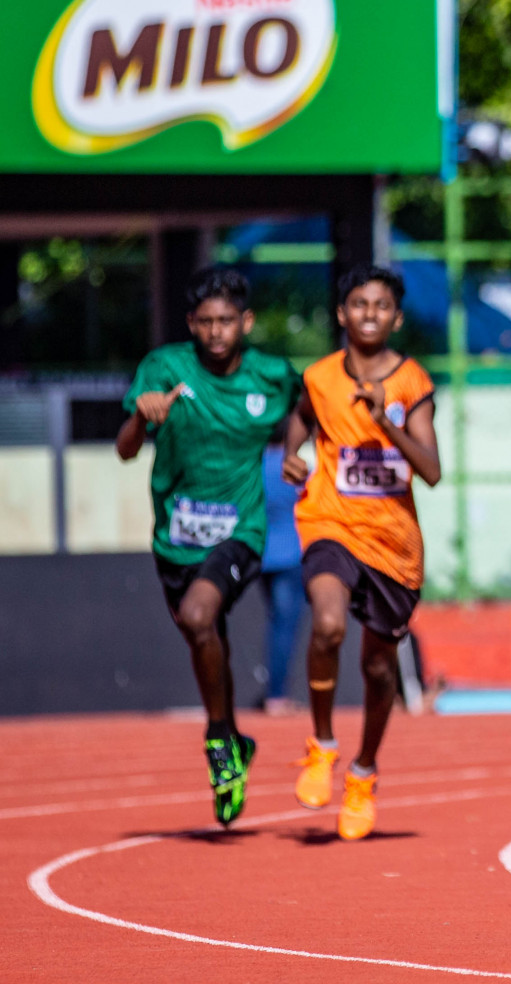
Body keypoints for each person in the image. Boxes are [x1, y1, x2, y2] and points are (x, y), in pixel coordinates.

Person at [115, 266, 299, 825]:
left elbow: (301, 410)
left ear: (245, 322)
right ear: (191, 324)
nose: (217, 332)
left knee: (200, 615)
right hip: (174, 538)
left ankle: (219, 743)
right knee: (205, 635)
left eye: (227, 321)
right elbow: (125, 450)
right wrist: (142, 418)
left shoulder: (272, 375)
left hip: (240, 532)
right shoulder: (164, 368)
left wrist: (294, 452)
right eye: (206, 322)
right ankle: (233, 740)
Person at [284, 265, 440, 841]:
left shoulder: (411, 382)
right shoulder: (320, 376)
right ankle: (321, 744)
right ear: (341, 313)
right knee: (326, 625)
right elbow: (299, 420)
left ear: (395, 318)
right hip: (329, 521)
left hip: (393, 546)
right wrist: (292, 453)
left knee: (378, 668)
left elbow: (431, 470)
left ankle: (364, 770)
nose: (369, 314)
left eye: (380, 306)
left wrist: (384, 422)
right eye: (358, 304)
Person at [257, 429, 305, 714]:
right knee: (284, 629)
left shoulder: (254, 466)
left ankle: (274, 694)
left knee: (275, 625)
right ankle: (277, 695)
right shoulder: (295, 468)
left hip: (261, 553)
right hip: (290, 556)